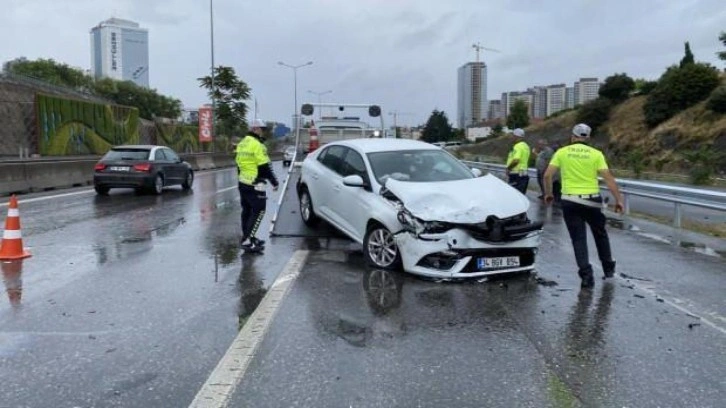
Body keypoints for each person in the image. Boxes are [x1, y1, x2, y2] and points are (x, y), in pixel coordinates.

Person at [544, 123, 624, 289]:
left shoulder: (562, 152)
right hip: (592, 201)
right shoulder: (596, 154)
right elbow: (608, 178)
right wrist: (619, 200)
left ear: (572, 137)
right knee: (600, 234)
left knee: (578, 239)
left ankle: (587, 276)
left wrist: (549, 193)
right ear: (587, 138)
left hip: (570, 201)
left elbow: (547, 175)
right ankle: (608, 269)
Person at [236, 118, 279, 253]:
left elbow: (238, 164)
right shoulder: (257, 145)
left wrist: (242, 178)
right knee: (259, 211)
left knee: (247, 211)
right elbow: (264, 166)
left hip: (243, 182)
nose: (263, 132)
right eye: (261, 129)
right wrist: (274, 181)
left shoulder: (242, 143)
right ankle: (249, 240)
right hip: (255, 183)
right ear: (256, 129)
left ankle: (249, 238)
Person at [505, 128, 531, 194]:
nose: (512, 137)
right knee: (521, 196)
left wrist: (508, 169)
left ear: (516, 136)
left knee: (514, 195)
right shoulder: (526, 146)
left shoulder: (517, 146)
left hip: (516, 174)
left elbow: (516, 160)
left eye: (513, 136)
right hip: (524, 174)